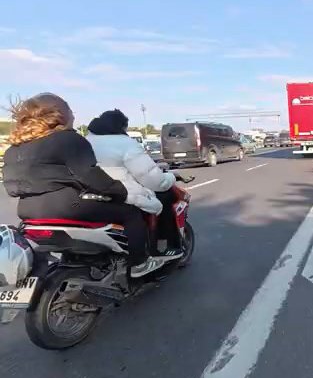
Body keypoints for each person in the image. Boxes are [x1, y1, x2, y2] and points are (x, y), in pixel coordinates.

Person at [1, 93, 153, 276]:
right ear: (60, 114)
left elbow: (11, 187)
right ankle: (139, 264)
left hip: (27, 212)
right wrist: (121, 192)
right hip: (68, 208)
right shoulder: (68, 139)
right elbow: (93, 178)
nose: (74, 115)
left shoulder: (14, 149)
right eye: (70, 110)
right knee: (131, 213)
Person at [85, 109, 183, 262]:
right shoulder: (125, 143)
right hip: (120, 193)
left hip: (87, 195)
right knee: (165, 196)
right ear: (122, 126)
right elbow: (152, 179)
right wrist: (170, 177)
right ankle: (163, 248)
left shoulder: (85, 141)